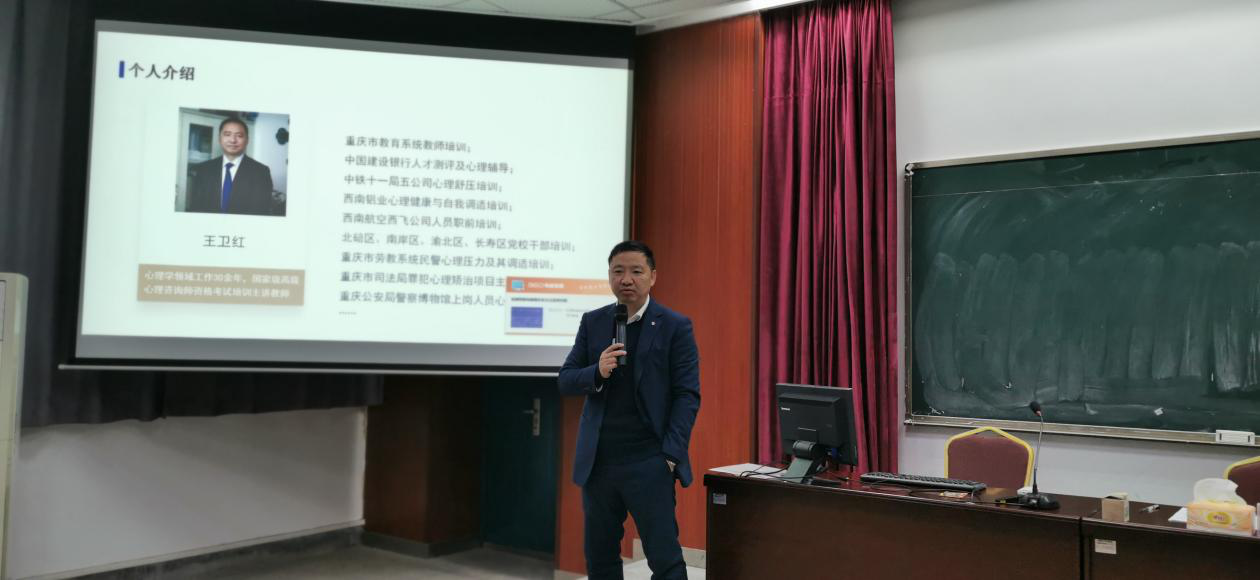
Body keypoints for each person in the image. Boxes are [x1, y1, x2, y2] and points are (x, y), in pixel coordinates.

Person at [559, 240, 701, 580]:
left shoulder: (674, 325)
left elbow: (687, 395)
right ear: (609, 276)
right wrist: (597, 371)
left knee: (665, 561)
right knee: (601, 560)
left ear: (653, 276)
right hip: (599, 462)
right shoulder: (593, 322)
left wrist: (670, 455)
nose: (626, 279)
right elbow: (566, 379)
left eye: (636, 271)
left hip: (650, 460)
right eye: (618, 271)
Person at [185, 117, 277, 216]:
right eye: (227, 134)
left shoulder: (261, 172)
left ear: (247, 140)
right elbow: (196, 208)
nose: (233, 140)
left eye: (239, 136)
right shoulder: (204, 169)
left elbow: (260, 212)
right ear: (219, 138)